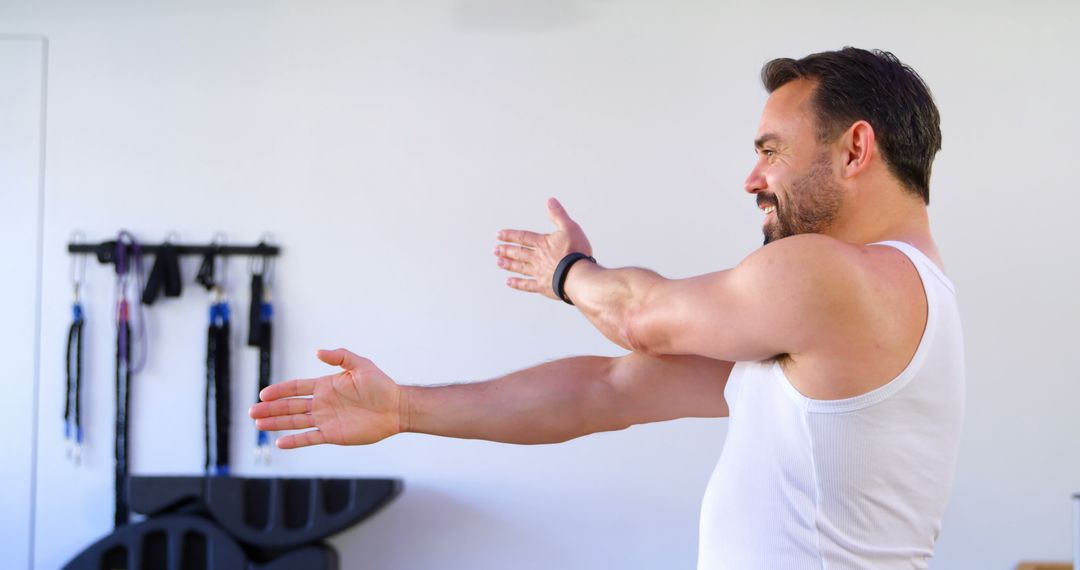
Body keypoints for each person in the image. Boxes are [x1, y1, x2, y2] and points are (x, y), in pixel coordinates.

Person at [249, 47, 964, 569]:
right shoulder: (861, 309)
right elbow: (607, 390)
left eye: (772, 150)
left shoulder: (837, 278)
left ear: (856, 148)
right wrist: (403, 407)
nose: (754, 178)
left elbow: (640, 317)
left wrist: (568, 272)